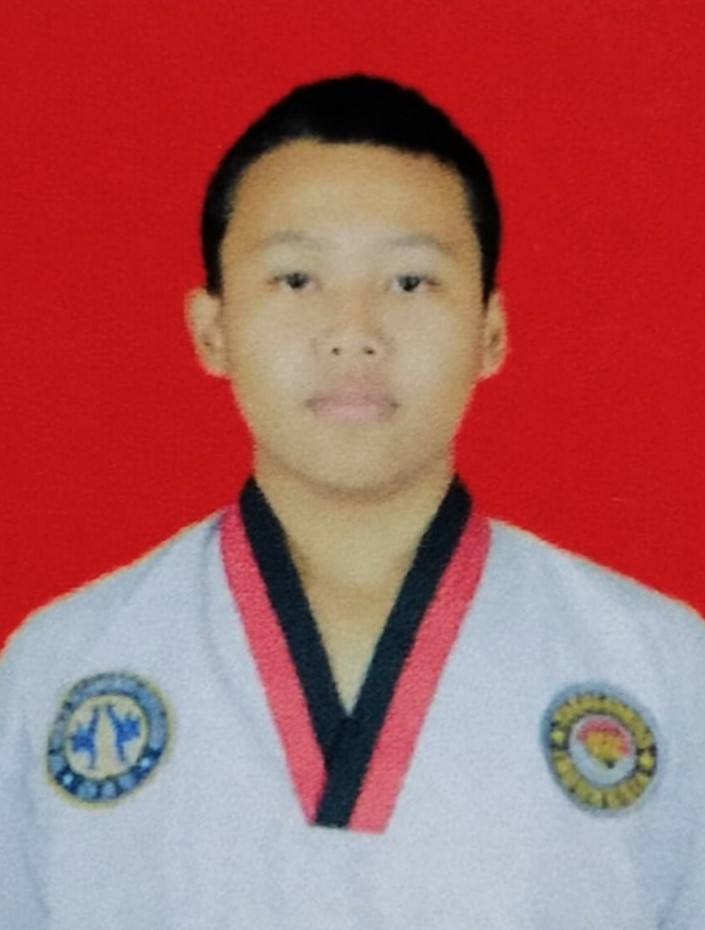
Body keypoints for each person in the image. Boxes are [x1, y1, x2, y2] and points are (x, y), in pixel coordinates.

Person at [1, 74, 703, 929]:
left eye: (409, 282)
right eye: (296, 279)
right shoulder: (61, 667)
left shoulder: (660, 667)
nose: (352, 333)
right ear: (210, 330)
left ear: (491, 332)